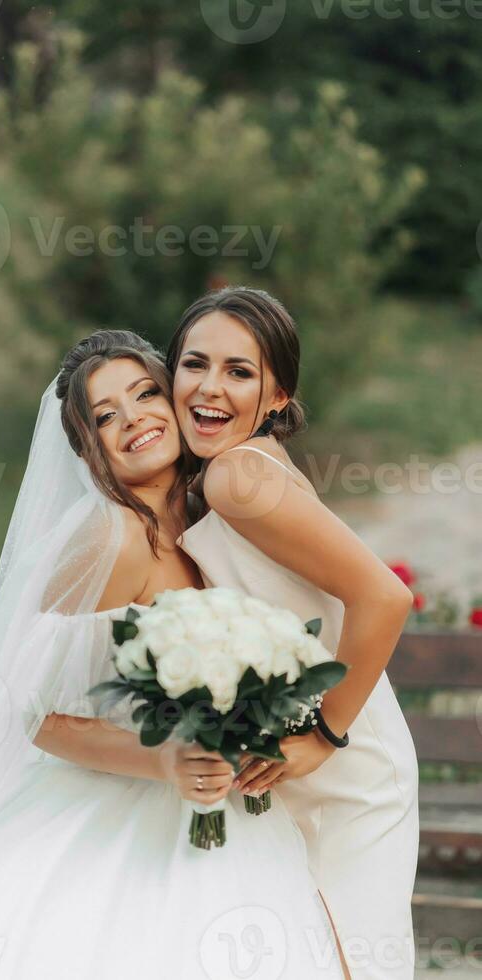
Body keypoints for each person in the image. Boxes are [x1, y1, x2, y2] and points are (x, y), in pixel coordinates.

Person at [0, 330, 345, 979]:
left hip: (227, 805)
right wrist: (164, 759)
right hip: (120, 807)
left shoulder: (205, 511)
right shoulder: (108, 540)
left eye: (145, 394)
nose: (133, 420)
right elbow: (37, 717)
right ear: (86, 449)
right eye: (105, 416)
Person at [168, 286, 420, 980]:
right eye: (194, 364)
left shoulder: (235, 476)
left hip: (350, 768)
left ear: (278, 396)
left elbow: (384, 597)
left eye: (239, 372)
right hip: (300, 769)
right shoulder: (233, 471)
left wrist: (323, 735)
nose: (209, 388)